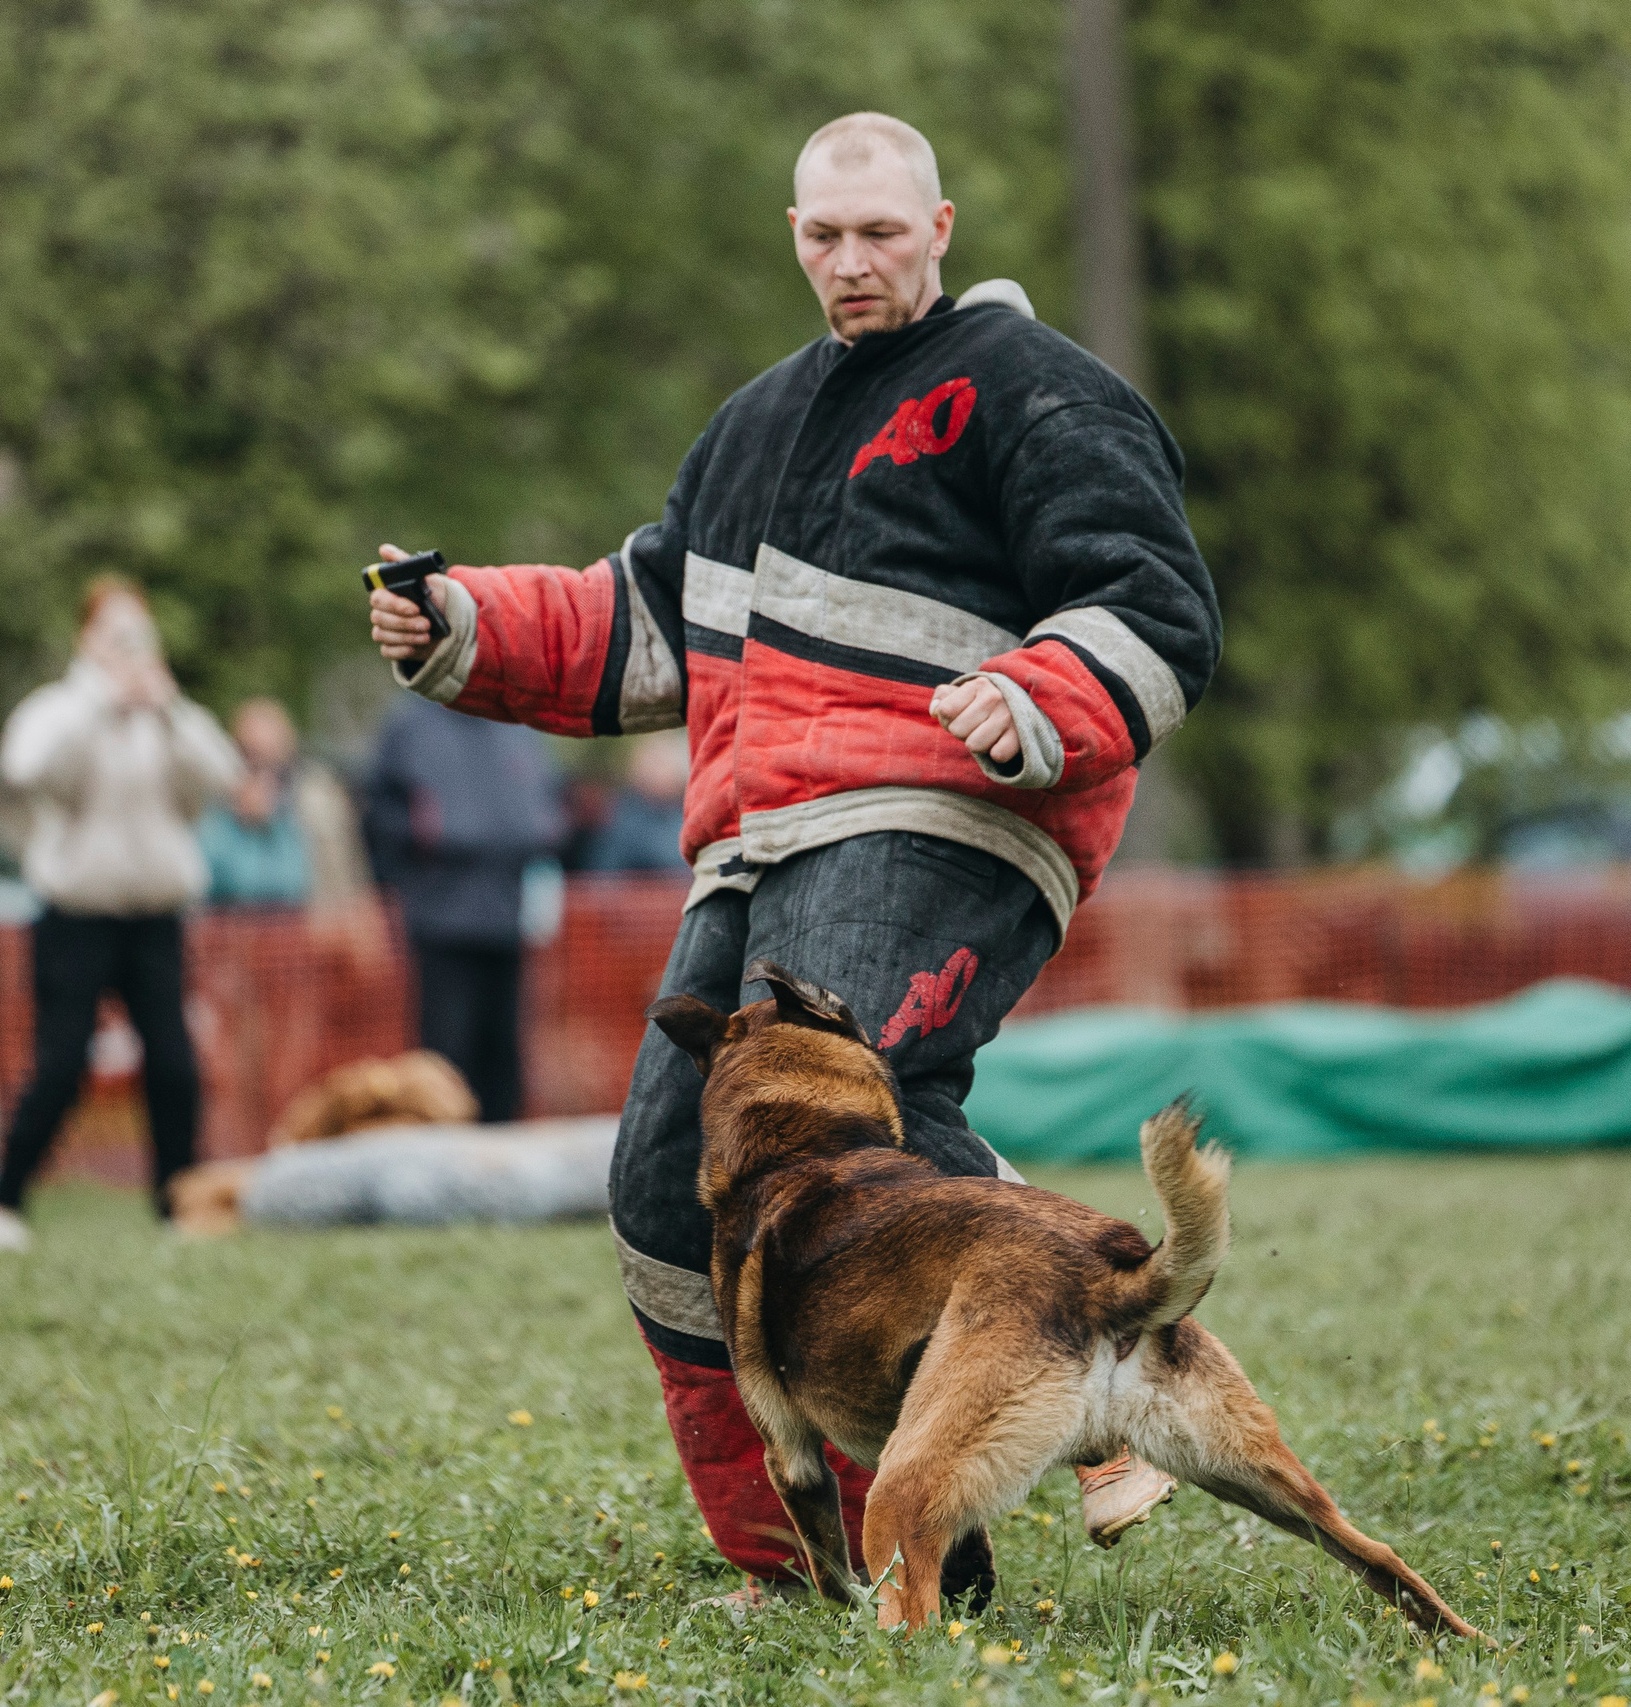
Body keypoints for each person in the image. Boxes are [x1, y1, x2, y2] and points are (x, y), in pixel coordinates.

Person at [364, 113, 1220, 1601]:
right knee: (664, 1187)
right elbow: (643, 624)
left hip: (950, 809)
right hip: (756, 837)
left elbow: (1151, 599)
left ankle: (1115, 1369)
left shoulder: (1037, 388)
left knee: (850, 1112)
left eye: (880, 232)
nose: (851, 260)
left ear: (939, 227)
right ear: (794, 235)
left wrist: (1037, 695)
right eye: (824, 235)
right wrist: (465, 625)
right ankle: (811, 1561)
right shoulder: (754, 422)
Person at [0, 577, 242, 1251]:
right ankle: (2, 1201)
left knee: (173, 1063)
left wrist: (167, 709)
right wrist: (99, 702)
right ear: (86, 639)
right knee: (60, 1062)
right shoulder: (59, 709)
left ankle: (179, 1203)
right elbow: (30, 769)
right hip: (76, 915)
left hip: (155, 915)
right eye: (113, 634)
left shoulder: (168, 716)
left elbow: (223, 774)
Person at [359, 692, 565, 1123]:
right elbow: (378, 815)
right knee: (445, 1059)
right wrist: (419, 841)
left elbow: (547, 806)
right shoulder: (410, 727)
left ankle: (500, 1150)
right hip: (440, 923)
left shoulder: (516, 724)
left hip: (508, 919)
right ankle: (442, 1150)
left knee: (503, 1056)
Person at [199, 697, 376, 913]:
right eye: (251, 754)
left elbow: (345, 870)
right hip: (233, 923)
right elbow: (212, 878)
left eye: (269, 754)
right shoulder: (218, 804)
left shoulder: (317, 795)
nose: (262, 768)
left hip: (315, 920)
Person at [579, 735, 692, 872]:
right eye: (656, 763)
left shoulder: (688, 814)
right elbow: (605, 871)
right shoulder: (622, 818)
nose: (661, 771)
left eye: (666, 763)